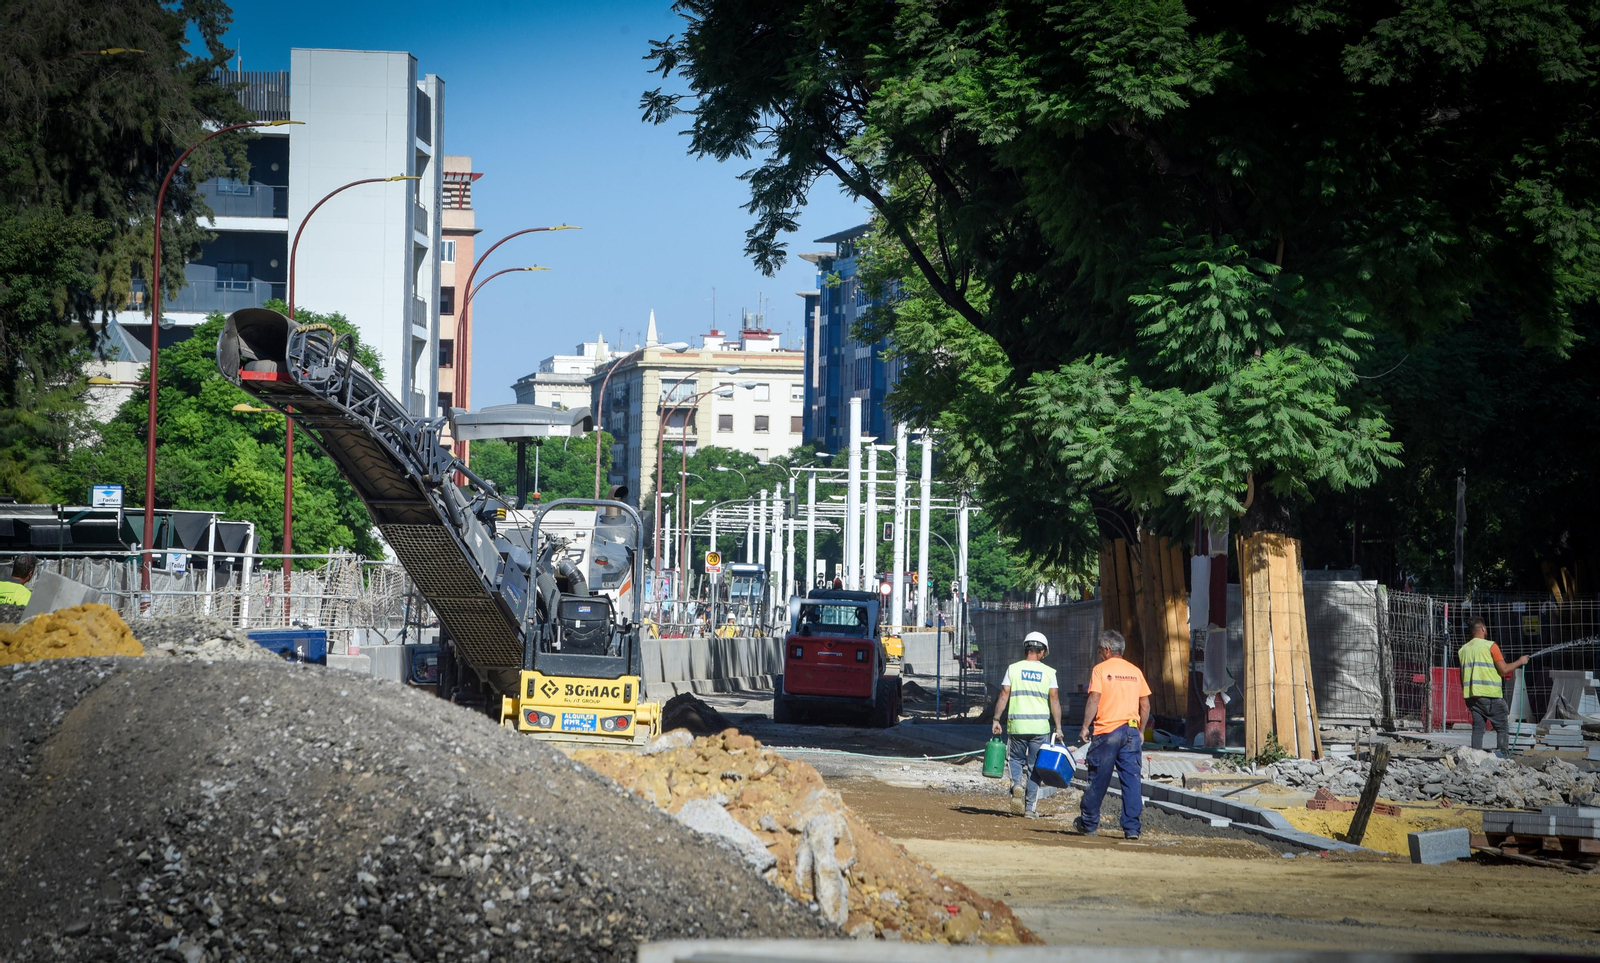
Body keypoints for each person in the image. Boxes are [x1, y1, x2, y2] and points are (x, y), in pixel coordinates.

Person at [1075, 630, 1152, 839]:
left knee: (1098, 778)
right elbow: (1145, 704)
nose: (1100, 654)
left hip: (1107, 733)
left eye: (1101, 650)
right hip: (1131, 732)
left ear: (1107, 650)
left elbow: (1094, 699)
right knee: (1132, 781)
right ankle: (1132, 829)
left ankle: (1089, 824)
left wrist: (1084, 726)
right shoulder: (1135, 671)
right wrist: (1141, 731)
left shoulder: (1100, 670)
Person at [990, 631, 1062, 818]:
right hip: (1040, 728)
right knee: (1035, 767)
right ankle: (1030, 809)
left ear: (1026, 649)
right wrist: (1059, 727)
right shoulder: (1049, 672)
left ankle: (1016, 785)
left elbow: (1004, 694)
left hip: (1018, 726)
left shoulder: (1013, 669)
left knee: (1015, 760)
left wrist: (996, 719)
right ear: (1042, 651)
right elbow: (1054, 700)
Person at [1459, 617, 1527, 754]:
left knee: (1478, 729)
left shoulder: (1463, 650)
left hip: (1472, 696)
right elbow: (1504, 669)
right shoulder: (1491, 646)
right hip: (1491, 695)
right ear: (1483, 628)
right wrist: (1520, 661)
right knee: (1502, 727)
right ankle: (1502, 757)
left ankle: (1475, 757)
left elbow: (1463, 675)